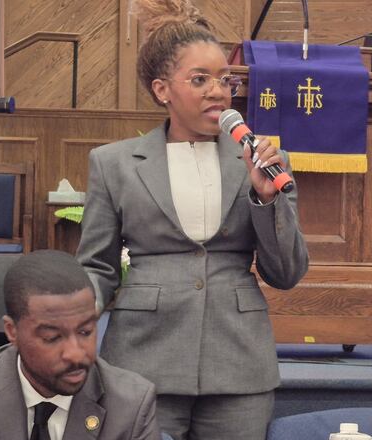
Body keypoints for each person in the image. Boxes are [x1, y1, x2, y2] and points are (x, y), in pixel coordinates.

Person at [75, 0, 309, 439]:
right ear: (162, 90)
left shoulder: (260, 160)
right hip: (142, 359)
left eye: (225, 80)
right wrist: (73, 320)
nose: (218, 91)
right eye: (199, 80)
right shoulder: (114, 164)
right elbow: (97, 267)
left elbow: (287, 272)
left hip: (238, 363)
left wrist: (267, 199)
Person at [0, 250, 161, 440]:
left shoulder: (130, 405)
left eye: (86, 331)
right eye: (52, 338)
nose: (76, 354)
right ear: (12, 331)